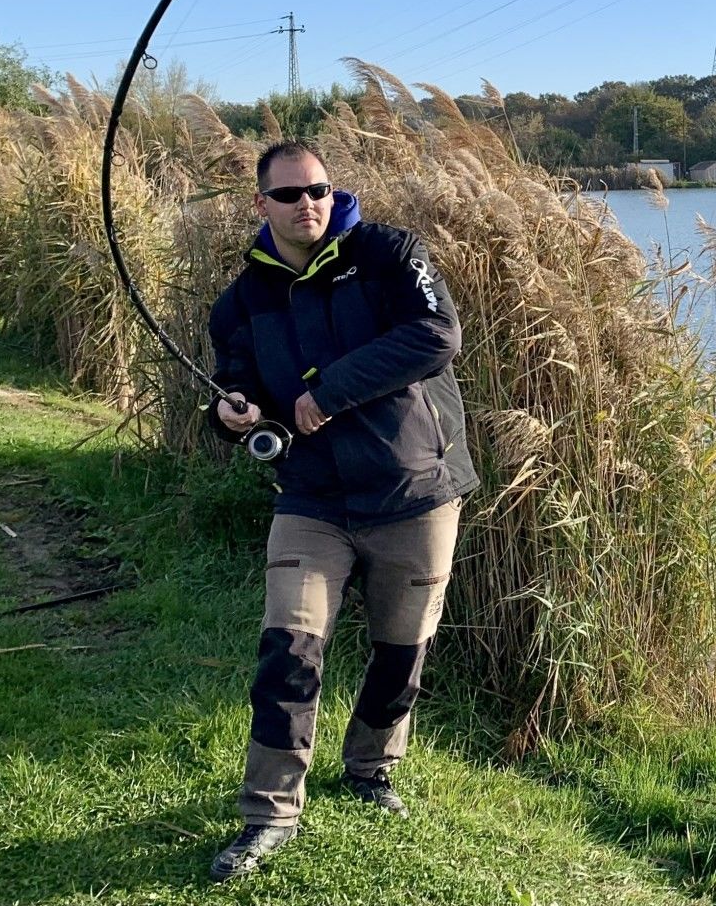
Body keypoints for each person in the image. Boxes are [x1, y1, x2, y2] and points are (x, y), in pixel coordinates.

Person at [204, 140, 478, 882]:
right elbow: (233, 386)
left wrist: (328, 392)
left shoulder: (389, 253)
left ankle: (370, 770)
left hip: (415, 489)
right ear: (260, 204)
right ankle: (268, 814)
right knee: (287, 649)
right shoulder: (241, 300)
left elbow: (435, 336)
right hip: (312, 499)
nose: (308, 204)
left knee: (401, 650)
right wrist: (229, 414)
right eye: (289, 195)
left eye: (318, 189)